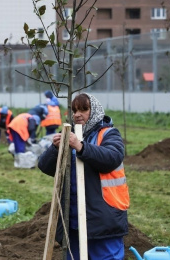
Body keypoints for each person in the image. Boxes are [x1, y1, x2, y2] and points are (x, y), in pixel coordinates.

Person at [38, 93, 129, 260]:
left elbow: (112, 158)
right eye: (74, 110)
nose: (77, 114)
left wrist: (80, 147)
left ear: (94, 111)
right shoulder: (70, 135)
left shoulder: (108, 134)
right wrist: (55, 148)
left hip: (103, 219)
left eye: (84, 109)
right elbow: (45, 166)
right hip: (73, 221)